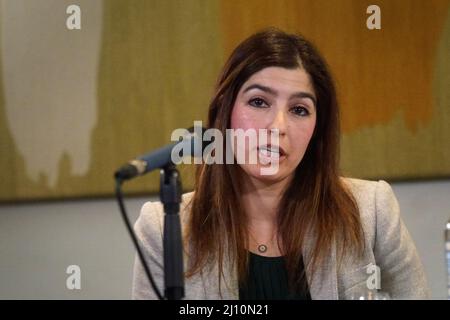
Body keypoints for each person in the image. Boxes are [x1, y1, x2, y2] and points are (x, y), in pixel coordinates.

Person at [132, 27, 429, 300]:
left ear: (317, 129)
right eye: (259, 102)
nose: (278, 126)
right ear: (225, 112)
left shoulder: (372, 212)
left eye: (299, 109)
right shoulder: (163, 228)